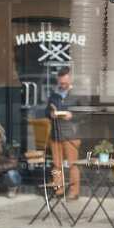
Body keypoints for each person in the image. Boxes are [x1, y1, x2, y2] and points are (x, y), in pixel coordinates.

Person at [47, 68, 81, 200]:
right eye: (61, 83)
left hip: (71, 134)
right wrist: (50, 114)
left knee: (73, 164)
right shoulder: (54, 95)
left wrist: (73, 115)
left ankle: (74, 192)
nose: (62, 85)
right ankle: (58, 190)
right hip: (56, 133)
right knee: (56, 164)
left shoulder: (77, 95)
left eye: (65, 83)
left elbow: (86, 115)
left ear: (70, 79)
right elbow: (46, 112)